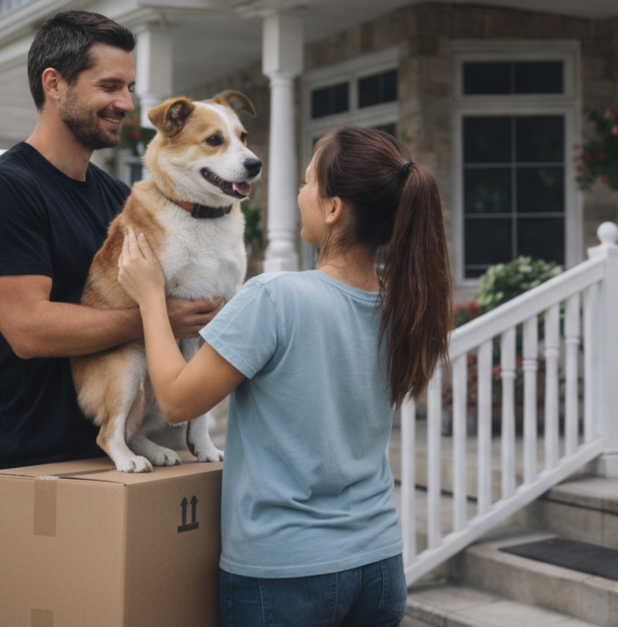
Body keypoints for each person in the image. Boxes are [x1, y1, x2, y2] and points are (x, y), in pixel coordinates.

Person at [115, 125, 454, 627]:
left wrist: (149, 299)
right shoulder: (400, 305)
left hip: (284, 573)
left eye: (307, 182)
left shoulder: (274, 297)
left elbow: (178, 401)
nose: (299, 194)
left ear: (333, 208)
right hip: (379, 563)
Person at [0, 11, 222, 473]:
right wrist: (157, 317)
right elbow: (29, 329)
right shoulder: (1, 191)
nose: (125, 103)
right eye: (109, 86)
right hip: (29, 464)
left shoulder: (118, 198)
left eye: (129, 88)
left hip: (125, 453)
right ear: (54, 84)